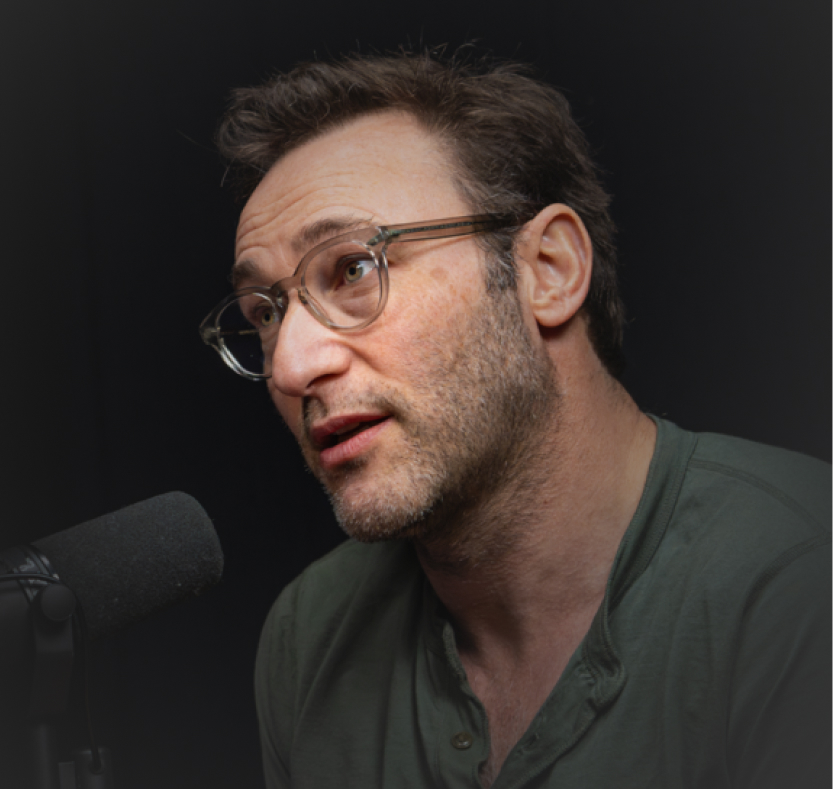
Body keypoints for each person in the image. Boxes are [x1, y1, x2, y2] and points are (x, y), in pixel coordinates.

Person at [199, 51, 830, 788]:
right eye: (264, 314)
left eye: (351, 269)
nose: (290, 365)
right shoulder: (308, 636)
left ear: (548, 271)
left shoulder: (799, 582)